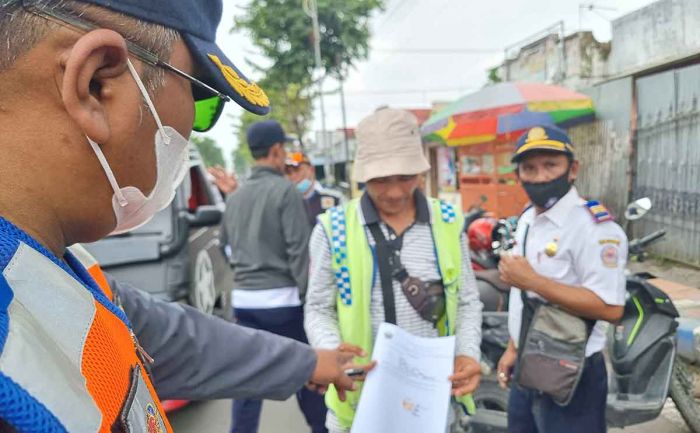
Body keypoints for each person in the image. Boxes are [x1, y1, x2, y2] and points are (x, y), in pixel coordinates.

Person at [0, 1, 369, 431]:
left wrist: (308, 360)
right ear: (97, 82)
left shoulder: (61, 268)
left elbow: (176, 339)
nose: (192, 127)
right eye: (201, 95)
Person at [304, 108, 483, 433]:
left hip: (434, 407)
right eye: (381, 180)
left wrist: (469, 354)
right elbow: (318, 308)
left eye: (406, 177)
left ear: (421, 172)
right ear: (362, 175)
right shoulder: (334, 230)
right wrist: (333, 349)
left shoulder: (447, 221)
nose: (396, 192)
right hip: (359, 405)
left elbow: (468, 302)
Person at [496, 126, 627, 433]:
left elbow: (609, 307)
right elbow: (527, 301)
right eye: (529, 168)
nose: (541, 177)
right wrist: (513, 348)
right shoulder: (528, 219)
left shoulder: (595, 229)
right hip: (528, 365)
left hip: (572, 371)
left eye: (551, 165)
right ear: (518, 176)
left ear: (572, 169)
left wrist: (532, 281)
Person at [220, 120, 329, 433]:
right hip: (284, 303)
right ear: (277, 150)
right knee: (309, 375)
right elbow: (299, 252)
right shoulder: (285, 191)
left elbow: (225, 246)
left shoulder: (236, 197)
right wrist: (310, 301)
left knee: (249, 384)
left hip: (244, 303)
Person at [285, 151, 345, 226]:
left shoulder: (334, 198)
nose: (293, 176)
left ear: (311, 170)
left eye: (297, 170)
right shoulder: (286, 202)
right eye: (288, 172)